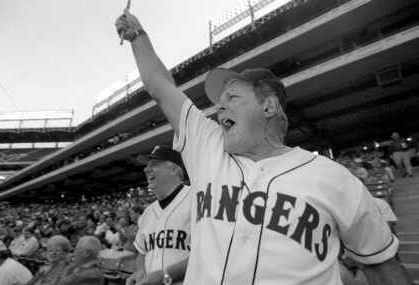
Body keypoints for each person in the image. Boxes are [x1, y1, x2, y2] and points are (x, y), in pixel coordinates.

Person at [115, 11, 411, 285]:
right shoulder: (209, 146)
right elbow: (159, 84)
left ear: (268, 106)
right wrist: (138, 36)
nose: (219, 109)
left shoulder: (334, 178)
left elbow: (382, 267)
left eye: (231, 97)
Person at [126, 146, 192, 285]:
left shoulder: (197, 199)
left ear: (174, 169)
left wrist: (164, 275)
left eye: (154, 164)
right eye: (146, 166)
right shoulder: (148, 212)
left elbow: (206, 253)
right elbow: (141, 253)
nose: (146, 169)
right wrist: (140, 271)